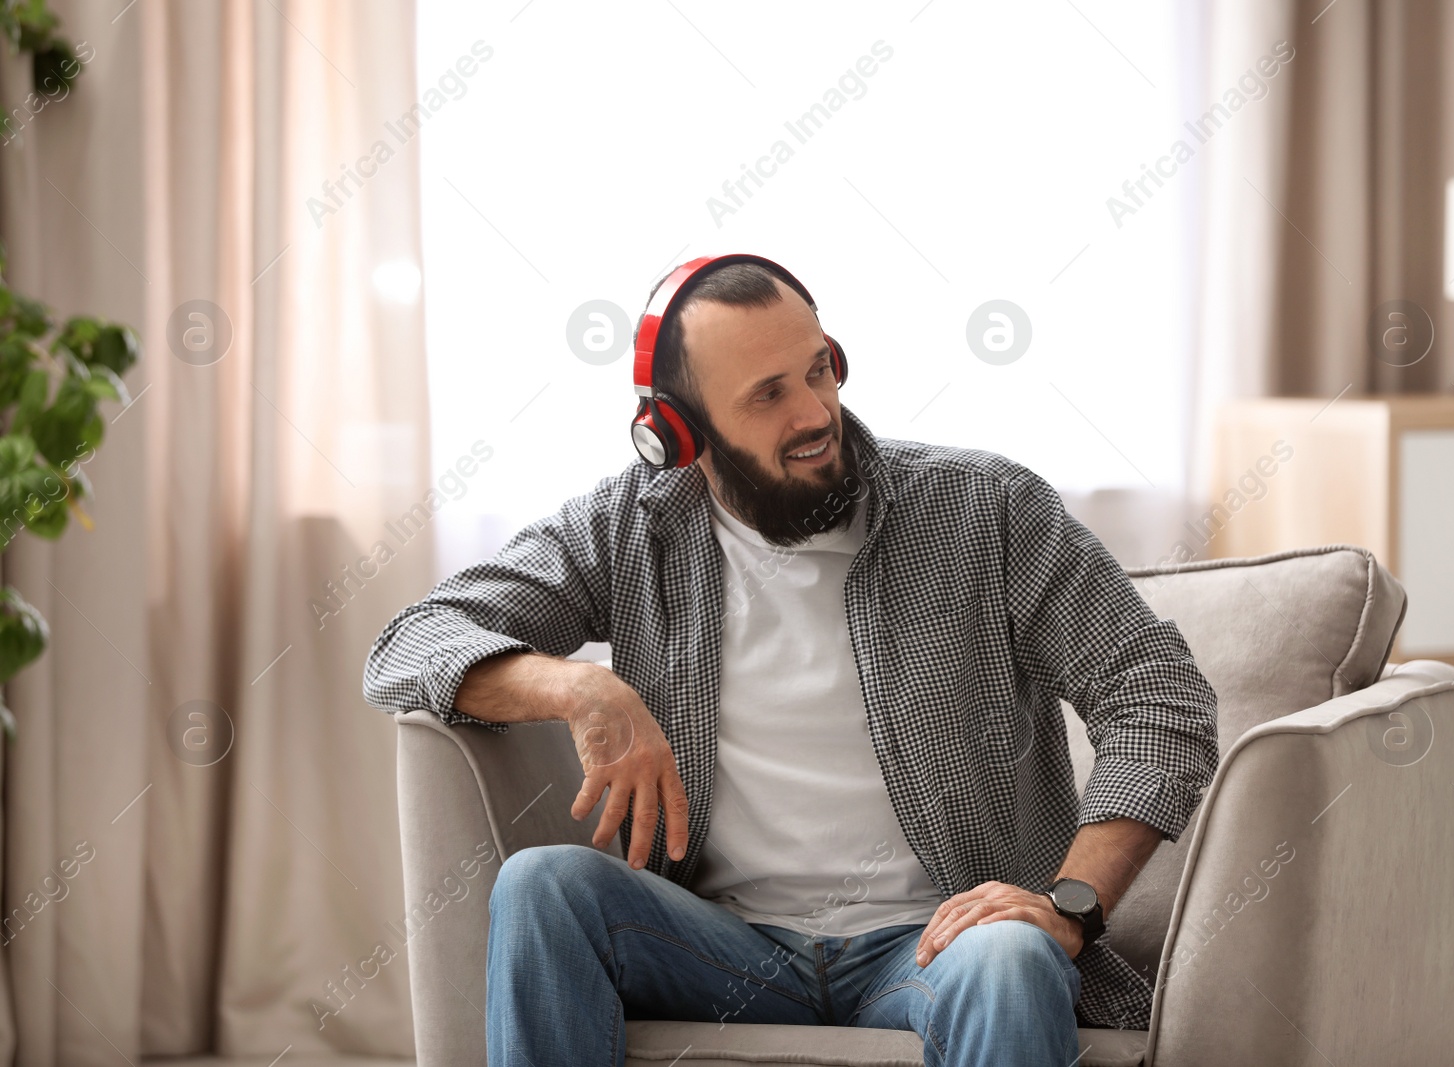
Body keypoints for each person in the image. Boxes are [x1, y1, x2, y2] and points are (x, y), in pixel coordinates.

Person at [362, 254, 1220, 1066]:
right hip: (722, 944)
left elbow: (1158, 693)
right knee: (546, 886)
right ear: (677, 434)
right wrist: (577, 683)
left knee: (1010, 959)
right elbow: (410, 643)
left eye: (820, 369)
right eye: (768, 394)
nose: (815, 413)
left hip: (941, 941)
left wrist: (1069, 904)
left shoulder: (984, 509)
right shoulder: (626, 530)